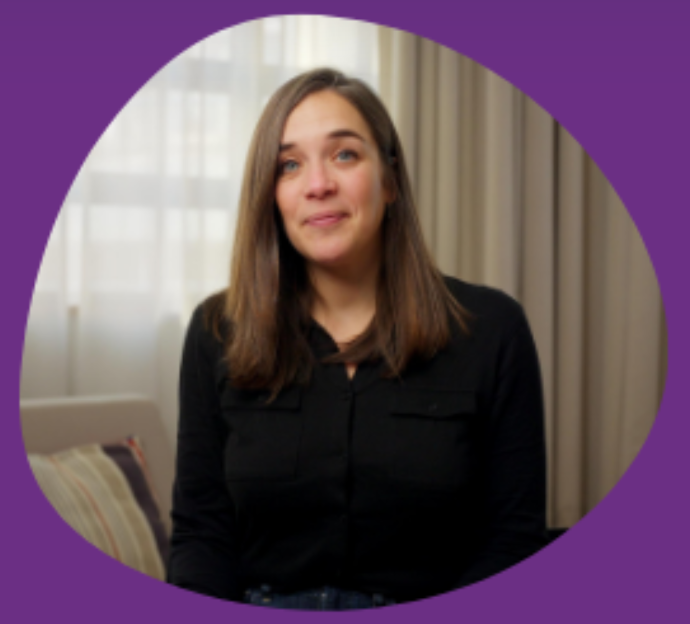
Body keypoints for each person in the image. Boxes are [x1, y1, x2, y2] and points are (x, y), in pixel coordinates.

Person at [167, 67, 547, 610]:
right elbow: (201, 535)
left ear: (390, 181)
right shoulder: (216, 331)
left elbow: (512, 540)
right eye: (289, 164)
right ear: (271, 196)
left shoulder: (492, 329)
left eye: (344, 155)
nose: (318, 183)